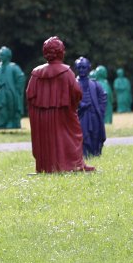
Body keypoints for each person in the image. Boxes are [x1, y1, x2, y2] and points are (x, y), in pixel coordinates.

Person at [26, 37, 92, 173]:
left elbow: (29, 95)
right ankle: (73, 165)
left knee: (48, 138)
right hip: (63, 114)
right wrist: (71, 104)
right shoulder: (66, 72)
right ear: (60, 52)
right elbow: (77, 92)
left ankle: (47, 166)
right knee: (71, 135)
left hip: (42, 117)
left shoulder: (36, 73)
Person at [75, 57, 107, 158]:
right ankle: (84, 154)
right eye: (79, 68)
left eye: (83, 67)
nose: (81, 70)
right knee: (83, 135)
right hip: (81, 115)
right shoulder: (73, 83)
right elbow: (69, 99)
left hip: (94, 114)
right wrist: (80, 105)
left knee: (96, 134)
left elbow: (103, 97)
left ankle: (95, 153)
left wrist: (101, 111)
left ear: (88, 68)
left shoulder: (95, 84)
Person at [0, 46, 25, 129]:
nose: (0, 57)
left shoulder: (13, 67)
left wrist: (18, 89)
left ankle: (11, 122)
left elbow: (21, 77)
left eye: (2, 55)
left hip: (11, 92)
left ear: (8, 56)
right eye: (0, 55)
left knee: (11, 107)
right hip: (0, 92)